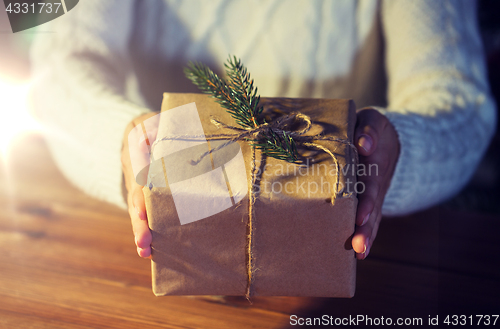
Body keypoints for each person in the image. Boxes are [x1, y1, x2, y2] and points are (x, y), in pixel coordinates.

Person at [31, 0, 496, 261]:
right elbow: (57, 70)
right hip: (170, 225)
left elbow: (461, 105)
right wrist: (124, 140)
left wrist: (397, 148)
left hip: (354, 247)